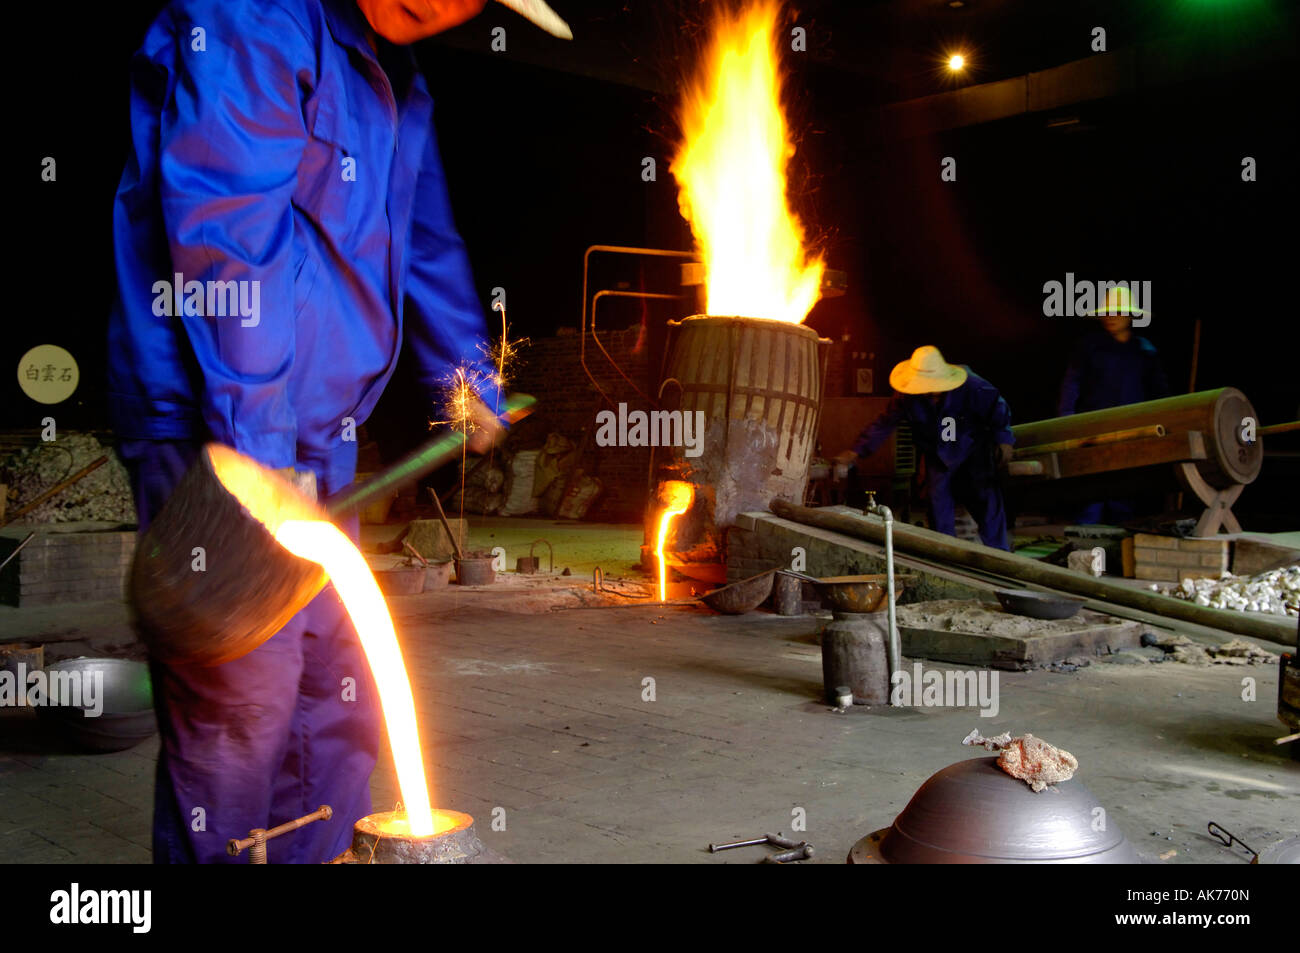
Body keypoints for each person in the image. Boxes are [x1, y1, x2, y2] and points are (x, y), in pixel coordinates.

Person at [107, 0, 502, 863]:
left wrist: (468, 377)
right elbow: (226, 244)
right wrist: (261, 457)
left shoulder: (400, 83)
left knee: (336, 701)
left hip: (321, 440)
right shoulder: (249, 19)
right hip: (215, 435)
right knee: (239, 714)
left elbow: (428, 242)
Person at [836, 346, 1014, 550]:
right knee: (939, 510)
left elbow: (998, 409)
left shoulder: (973, 386)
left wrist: (1004, 439)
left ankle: (1001, 558)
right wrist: (856, 451)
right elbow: (884, 424)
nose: (932, 394)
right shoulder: (907, 395)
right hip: (937, 456)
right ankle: (946, 560)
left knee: (987, 506)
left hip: (972, 452)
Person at [1058, 285, 1169, 523]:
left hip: (1132, 428)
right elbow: (1072, 383)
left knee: (1124, 491)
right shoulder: (1089, 347)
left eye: (1117, 312)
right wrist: (1066, 418)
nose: (1110, 317)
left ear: (1129, 316)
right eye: (1107, 312)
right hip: (1094, 427)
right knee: (1090, 491)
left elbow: (1159, 393)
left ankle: (1120, 546)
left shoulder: (1144, 351)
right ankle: (1083, 544)